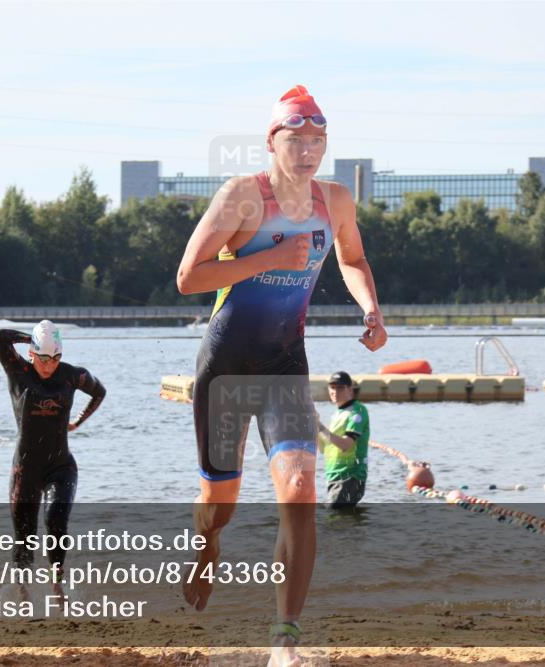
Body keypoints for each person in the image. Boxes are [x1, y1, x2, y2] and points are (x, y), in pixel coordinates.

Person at [175, 84, 387, 664]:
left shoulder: (335, 200)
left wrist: (370, 307)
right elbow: (189, 277)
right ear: (273, 142)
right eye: (296, 140)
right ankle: (207, 546)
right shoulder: (242, 197)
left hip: (283, 364)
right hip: (224, 365)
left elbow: (352, 258)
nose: (308, 152)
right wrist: (270, 258)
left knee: (299, 490)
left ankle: (285, 636)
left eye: (317, 141)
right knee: (221, 502)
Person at [0, 320, 106, 597]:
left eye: (55, 358)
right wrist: (32, 338)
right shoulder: (18, 371)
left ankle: (57, 585)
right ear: (32, 354)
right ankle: (22, 593)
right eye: (43, 359)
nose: (49, 366)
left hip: (61, 466)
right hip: (25, 469)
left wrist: (78, 421)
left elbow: (99, 391)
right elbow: (1, 337)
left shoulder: (71, 376)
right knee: (25, 537)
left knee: (56, 520)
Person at [317, 371, 370, 509]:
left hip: (350, 476)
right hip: (334, 476)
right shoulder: (336, 414)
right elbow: (324, 449)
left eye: (340, 388)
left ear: (350, 389)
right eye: (332, 387)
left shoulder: (357, 411)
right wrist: (313, 428)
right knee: (337, 522)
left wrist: (320, 427)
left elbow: (346, 445)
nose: (335, 391)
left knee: (333, 519)